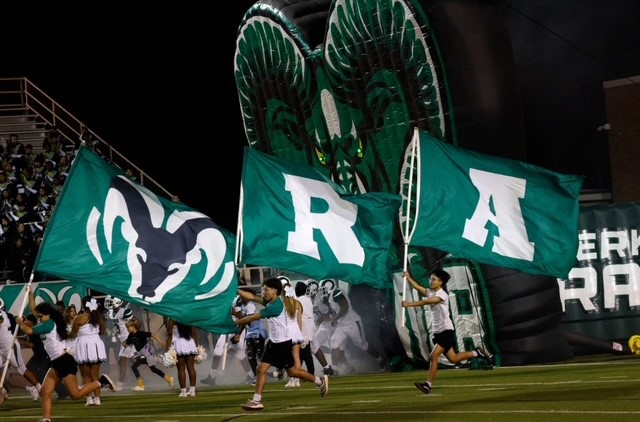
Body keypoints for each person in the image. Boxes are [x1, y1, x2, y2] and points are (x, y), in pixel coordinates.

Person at [15, 286, 115, 422]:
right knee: (45, 392)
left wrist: (20, 323)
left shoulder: (49, 324)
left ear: (48, 315)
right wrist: (30, 293)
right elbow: (34, 310)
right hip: (56, 362)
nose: (38, 318)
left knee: (76, 394)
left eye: (40, 316)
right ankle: (46, 419)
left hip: (64, 361)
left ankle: (101, 382)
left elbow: (29, 331)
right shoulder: (45, 320)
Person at [235, 277, 328, 411]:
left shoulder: (275, 306)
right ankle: (256, 401)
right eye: (263, 289)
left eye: (266, 290)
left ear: (275, 291)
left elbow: (253, 317)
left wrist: (234, 323)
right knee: (260, 369)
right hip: (274, 343)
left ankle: (319, 381)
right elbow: (251, 296)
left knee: (293, 372)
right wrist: (235, 290)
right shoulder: (271, 302)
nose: (264, 292)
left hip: (282, 345)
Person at [402, 268, 493, 395]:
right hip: (439, 332)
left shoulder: (442, 295)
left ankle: (428, 385)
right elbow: (418, 287)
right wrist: (408, 277)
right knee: (453, 359)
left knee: (433, 356)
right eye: (431, 278)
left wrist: (409, 304)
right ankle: (476, 353)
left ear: (441, 282)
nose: (431, 281)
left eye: (434, 279)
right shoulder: (432, 292)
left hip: (446, 331)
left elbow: (426, 301)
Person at [69, 297, 108, 406]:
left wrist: (66, 335)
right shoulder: (99, 317)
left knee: (85, 375)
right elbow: (102, 331)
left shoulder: (79, 318)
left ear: (83, 304)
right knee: (94, 374)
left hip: (84, 345)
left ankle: (89, 398)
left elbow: (73, 334)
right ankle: (97, 399)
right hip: (96, 344)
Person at [0, 305, 42, 400]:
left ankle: (39, 388)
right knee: (7, 376)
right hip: (1, 349)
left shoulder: (3, 315)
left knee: (22, 370)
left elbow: (1, 321)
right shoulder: (8, 315)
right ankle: (2, 390)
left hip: (10, 347)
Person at [122, 317, 174, 391]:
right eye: (127, 327)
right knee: (152, 369)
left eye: (129, 327)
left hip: (146, 352)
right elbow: (126, 344)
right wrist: (123, 343)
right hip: (140, 353)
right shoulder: (130, 335)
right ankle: (168, 378)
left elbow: (152, 335)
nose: (127, 329)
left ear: (134, 327)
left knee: (136, 367)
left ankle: (141, 385)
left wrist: (160, 342)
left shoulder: (141, 333)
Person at [104, 295, 135, 391]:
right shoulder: (112, 313)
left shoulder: (124, 312)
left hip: (127, 339)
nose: (109, 304)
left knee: (122, 361)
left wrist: (131, 338)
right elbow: (116, 326)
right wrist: (114, 332)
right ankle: (154, 360)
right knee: (134, 360)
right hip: (122, 340)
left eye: (111, 302)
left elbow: (134, 324)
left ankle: (120, 385)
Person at [237, 292, 267, 385]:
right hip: (250, 333)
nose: (241, 298)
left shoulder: (250, 305)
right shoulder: (243, 307)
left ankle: (265, 375)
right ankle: (256, 377)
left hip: (258, 332)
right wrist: (239, 334)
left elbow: (249, 320)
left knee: (261, 357)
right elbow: (245, 322)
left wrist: (239, 319)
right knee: (250, 357)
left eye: (242, 297)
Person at [166, 318, 199, 397]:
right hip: (190, 342)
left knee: (181, 368)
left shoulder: (172, 318)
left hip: (179, 343)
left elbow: (170, 335)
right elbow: (193, 333)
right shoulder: (188, 316)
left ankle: (183, 392)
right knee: (191, 367)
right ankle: (192, 391)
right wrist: (197, 347)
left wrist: (167, 350)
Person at [295, 280, 316, 377]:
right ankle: (297, 372)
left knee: (305, 351)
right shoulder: (308, 300)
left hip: (303, 327)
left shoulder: (298, 300)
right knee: (303, 351)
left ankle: (310, 373)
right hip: (310, 326)